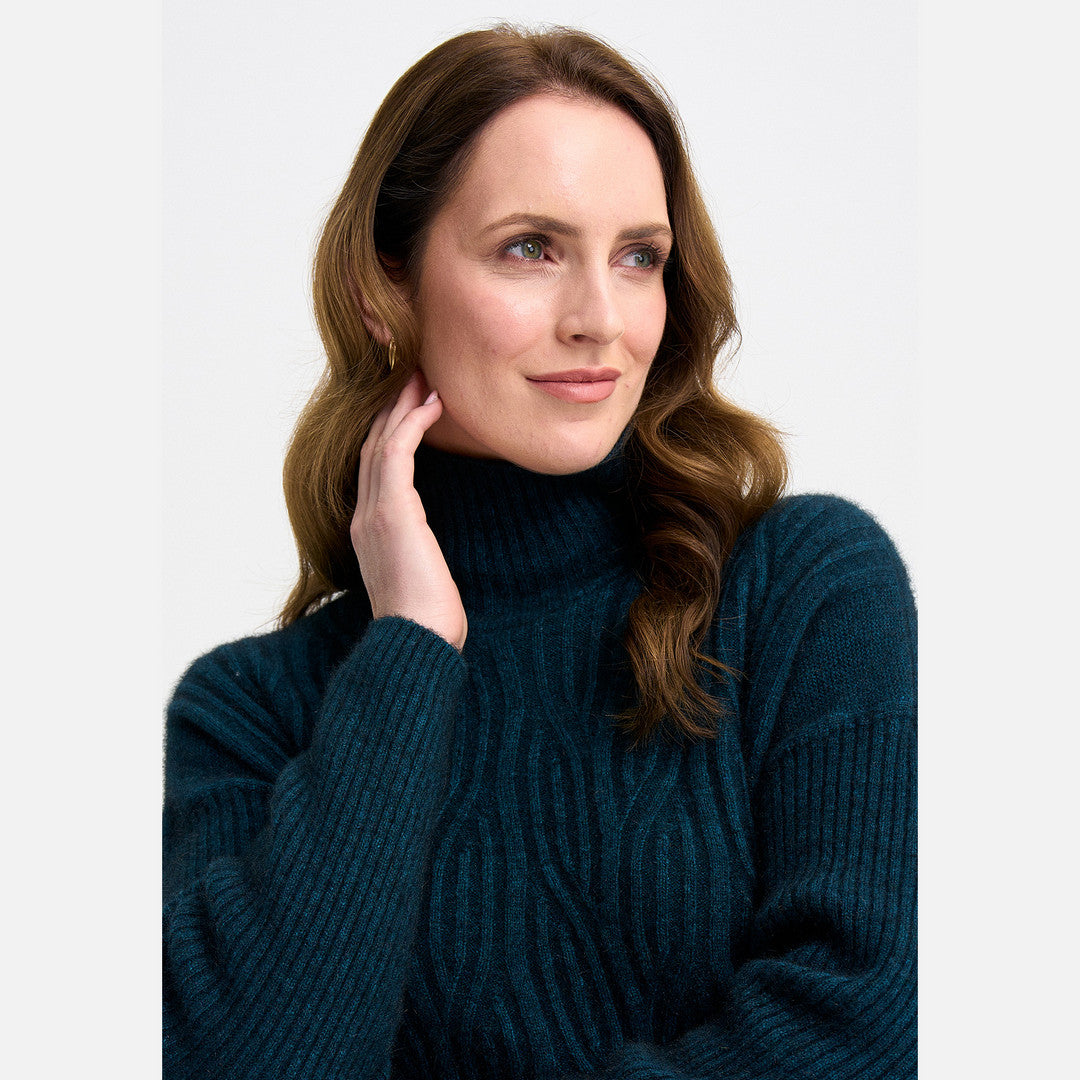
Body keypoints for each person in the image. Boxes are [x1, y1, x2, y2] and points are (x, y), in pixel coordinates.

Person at [162, 24, 916, 1080]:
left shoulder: (805, 592)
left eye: (639, 257)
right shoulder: (250, 712)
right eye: (530, 248)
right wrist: (412, 649)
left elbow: (868, 1030)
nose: (601, 319)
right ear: (386, 288)